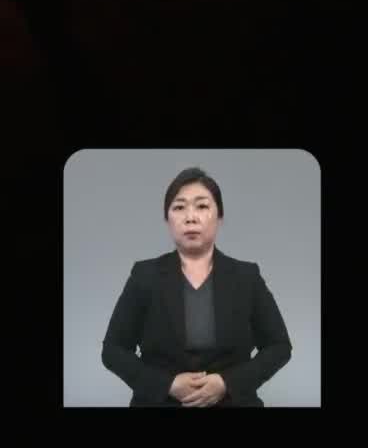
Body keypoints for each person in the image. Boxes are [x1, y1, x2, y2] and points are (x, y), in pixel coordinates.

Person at [100, 167, 292, 407]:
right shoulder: (144, 275)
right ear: (167, 218)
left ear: (219, 216)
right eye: (179, 207)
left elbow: (279, 347)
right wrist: (167, 384)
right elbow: (113, 350)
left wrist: (227, 383)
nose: (190, 217)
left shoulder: (247, 276)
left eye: (202, 206)